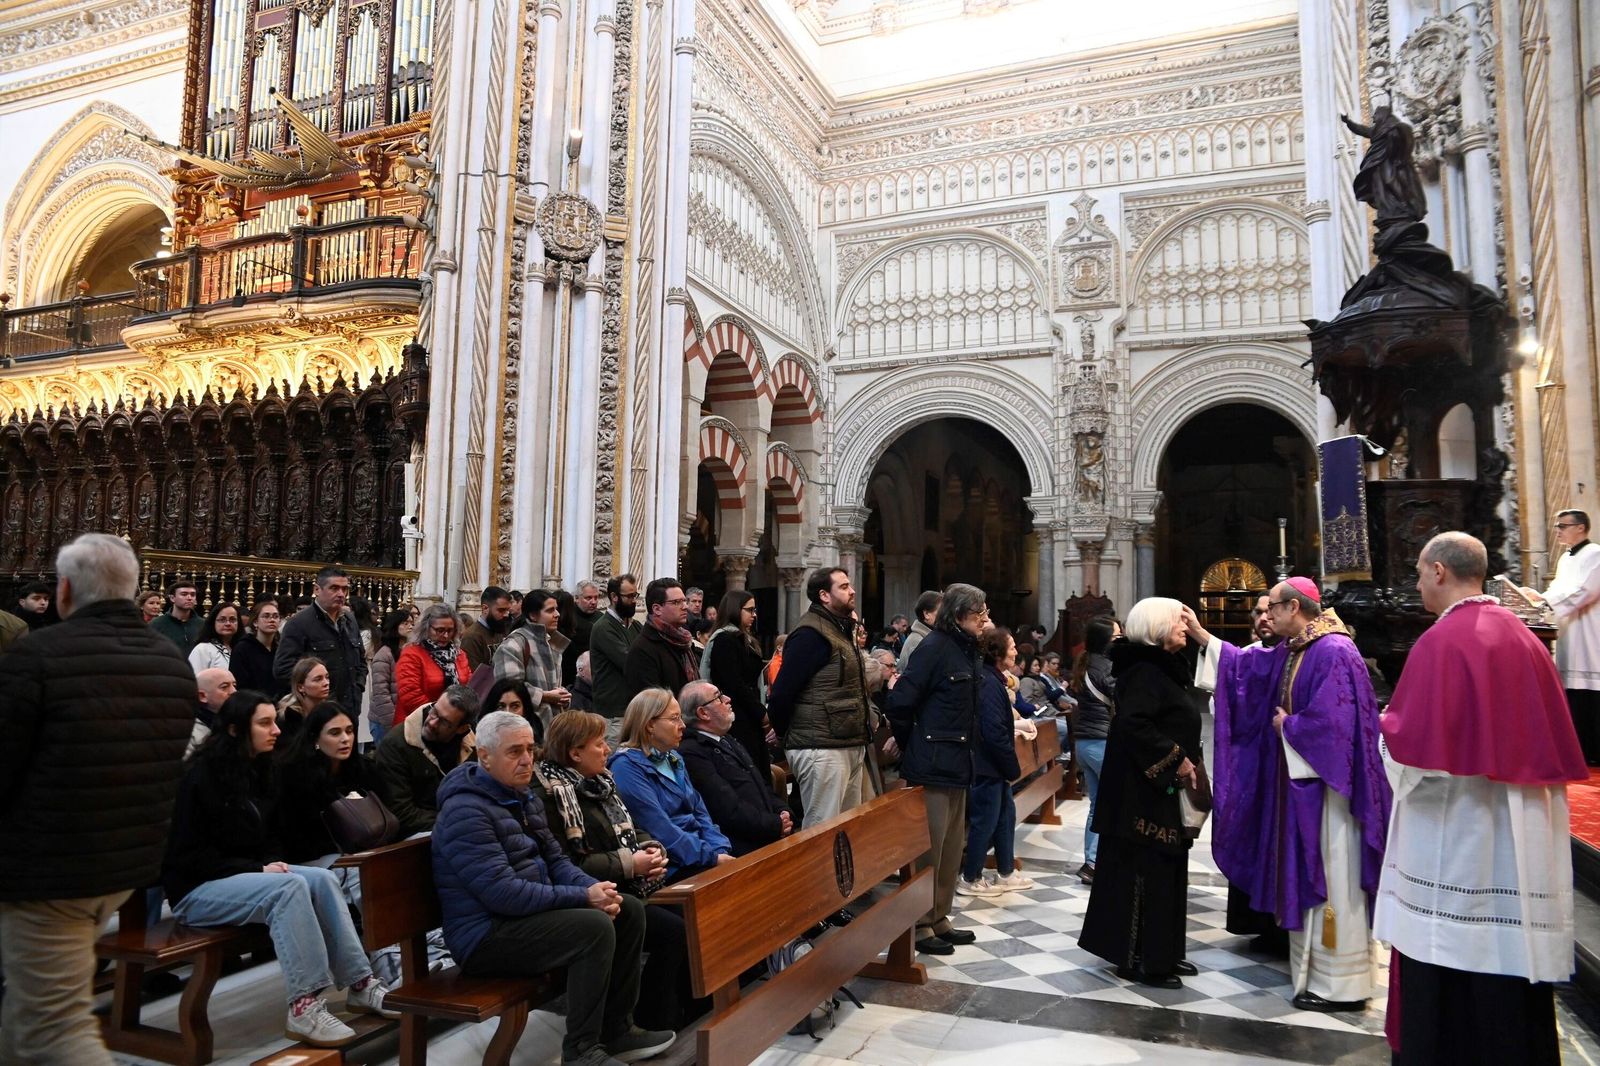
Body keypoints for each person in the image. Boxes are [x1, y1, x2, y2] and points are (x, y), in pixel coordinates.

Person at [1378, 532, 1587, 1065]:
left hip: (1460, 837)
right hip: (1520, 842)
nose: (1418, 584)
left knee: (1452, 963)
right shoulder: (1524, 636)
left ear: (1440, 572)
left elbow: (1411, 754)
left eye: (1419, 573)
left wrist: (1382, 730)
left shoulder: (1441, 643)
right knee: (1508, 986)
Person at [0, 534, 194, 1066]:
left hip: (49, 871)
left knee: (56, 1030)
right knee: (27, 1016)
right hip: (123, 867)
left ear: (64, 589)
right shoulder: (169, 662)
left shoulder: (39, 655)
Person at [1189, 578, 1391, 1011]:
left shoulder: (1333, 650)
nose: (1267, 615)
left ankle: (1341, 986)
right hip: (1307, 790)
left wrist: (1290, 726)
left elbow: (1337, 727)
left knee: (1334, 880)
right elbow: (1250, 668)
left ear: (1294, 607)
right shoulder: (1301, 648)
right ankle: (1315, 975)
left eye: (1273, 608)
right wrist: (1205, 638)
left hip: (1331, 796)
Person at [432, 710, 673, 1066]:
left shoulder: (520, 797)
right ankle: (581, 1051)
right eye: (514, 751)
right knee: (593, 927)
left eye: (530, 749)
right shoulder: (465, 811)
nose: (526, 759)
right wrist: (583, 897)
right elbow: (502, 893)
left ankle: (616, 1030)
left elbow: (558, 861)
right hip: (484, 936)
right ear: (484, 756)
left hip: (521, 919)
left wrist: (597, 890)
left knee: (627, 909)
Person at [162, 690, 398, 1046]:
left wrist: (268, 863)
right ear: (234, 730)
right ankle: (304, 1005)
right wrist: (256, 868)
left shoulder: (261, 769)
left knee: (322, 879)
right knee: (289, 888)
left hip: (243, 876)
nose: (276, 730)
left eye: (274, 721)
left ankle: (360, 983)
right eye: (265, 723)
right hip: (197, 888)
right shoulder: (199, 777)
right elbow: (189, 855)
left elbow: (271, 834)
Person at [531, 710, 698, 1032]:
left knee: (692, 913)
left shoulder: (601, 782)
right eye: (598, 744)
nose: (607, 749)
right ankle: (651, 1019)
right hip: (594, 894)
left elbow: (634, 828)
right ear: (575, 753)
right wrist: (631, 863)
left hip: (628, 883)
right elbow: (569, 863)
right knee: (672, 931)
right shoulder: (552, 796)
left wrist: (651, 849)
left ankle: (688, 1006)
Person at [1077, 597, 1201, 988]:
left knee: (1167, 870)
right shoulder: (1144, 670)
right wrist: (1177, 758)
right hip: (1140, 795)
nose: (1184, 627)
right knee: (1147, 874)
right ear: (1158, 628)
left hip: (1158, 788)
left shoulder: (1163, 666)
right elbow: (1134, 726)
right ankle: (1141, 959)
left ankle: (1165, 952)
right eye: (1178, 621)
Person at [885, 582, 988, 956]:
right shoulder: (934, 648)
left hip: (958, 762)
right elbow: (900, 703)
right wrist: (912, 743)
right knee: (929, 849)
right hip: (932, 763)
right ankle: (920, 922)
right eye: (979, 613)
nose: (985, 619)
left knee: (951, 847)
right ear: (959, 615)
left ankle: (940, 915)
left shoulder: (966, 649)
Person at [768, 568, 875, 827]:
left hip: (845, 741)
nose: (852, 591)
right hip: (821, 747)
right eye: (844, 587)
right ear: (824, 595)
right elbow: (782, 693)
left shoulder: (838, 629)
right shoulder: (810, 634)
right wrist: (783, 733)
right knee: (821, 829)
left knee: (847, 829)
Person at [608, 689, 733, 881]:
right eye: (674, 719)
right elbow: (659, 829)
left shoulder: (673, 757)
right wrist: (712, 857)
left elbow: (700, 812)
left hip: (703, 853)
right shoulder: (626, 767)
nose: (683, 725)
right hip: (672, 864)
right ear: (650, 724)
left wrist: (720, 848)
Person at [677, 681, 792, 856]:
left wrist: (783, 812)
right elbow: (726, 808)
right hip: (743, 849)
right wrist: (775, 824)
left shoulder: (726, 739)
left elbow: (761, 785)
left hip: (766, 834)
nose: (727, 699)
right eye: (718, 697)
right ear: (703, 713)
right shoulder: (692, 752)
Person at [1522, 509, 1600, 765]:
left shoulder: (1595, 554)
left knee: (1591, 688)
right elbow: (1558, 588)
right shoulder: (1566, 558)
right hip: (1569, 628)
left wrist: (1546, 600)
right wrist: (1537, 597)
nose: (1557, 531)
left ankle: (1595, 750)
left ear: (1581, 528)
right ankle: (1580, 748)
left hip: (1590, 628)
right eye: (1557, 526)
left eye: (1562, 526)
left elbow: (1585, 590)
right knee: (1573, 690)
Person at [959, 627, 1031, 898]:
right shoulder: (989, 683)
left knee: (1004, 817)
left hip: (994, 766)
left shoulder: (994, 679)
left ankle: (1005, 872)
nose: (1015, 651)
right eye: (1011, 647)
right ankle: (971, 877)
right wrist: (1011, 766)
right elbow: (993, 731)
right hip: (987, 766)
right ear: (997, 653)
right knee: (985, 822)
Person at [274, 701, 383, 864]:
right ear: (315, 738)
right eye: (335, 733)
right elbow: (297, 835)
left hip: (367, 847)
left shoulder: (364, 768)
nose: (345, 739)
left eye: (349, 731)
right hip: (314, 856)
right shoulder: (295, 775)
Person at [375, 684, 481, 836]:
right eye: (434, 711)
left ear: (462, 729)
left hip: (459, 827)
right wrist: (456, 821)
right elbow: (401, 813)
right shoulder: (395, 745)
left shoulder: (471, 746)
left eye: (444, 722)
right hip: (415, 836)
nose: (432, 722)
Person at [273, 566, 367, 713]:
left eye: (344, 589)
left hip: (350, 708)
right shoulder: (299, 623)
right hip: (318, 711)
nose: (341, 594)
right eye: (334, 588)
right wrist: (314, 691)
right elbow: (283, 669)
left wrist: (358, 685)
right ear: (317, 589)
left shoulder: (349, 620)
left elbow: (360, 660)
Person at [703, 588, 771, 785]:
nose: (754, 615)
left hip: (748, 716)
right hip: (737, 718)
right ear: (734, 609)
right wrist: (761, 712)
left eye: (754, 610)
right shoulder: (725, 640)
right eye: (749, 610)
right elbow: (734, 683)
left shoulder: (743, 639)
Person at [1068, 616, 1118, 883]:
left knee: (1097, 805)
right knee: (1115, 802)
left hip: (1084, 743)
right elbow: (1120, 695)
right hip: (1101, 741)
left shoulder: (1085, 662)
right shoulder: (1106, 666)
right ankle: (1103, 861)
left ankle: (1092, 861)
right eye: (1117, 637)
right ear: (1106, 641)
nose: (1120, 641)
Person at [494, 589, 572, 720]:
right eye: (550, 610)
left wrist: (562, 696)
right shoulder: (514, 644)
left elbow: (552, 686)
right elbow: (508, 688)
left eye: (556, 609)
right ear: (533, 615)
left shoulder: (551, 641)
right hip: (524, 724)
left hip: (551, 724)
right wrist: (545, 696)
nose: (557, 614)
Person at [623, 579, 699, 704]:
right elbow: (649, 705)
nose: (685, 607)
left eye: (684, 601)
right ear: (657, 609)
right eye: (677, 602)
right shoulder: (642, 650)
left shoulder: (683, 641)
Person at [395, 604, 471, 725]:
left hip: (452, 724)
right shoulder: (412, 654)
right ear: (426, 628)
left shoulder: (459, 654)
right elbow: (410, 695)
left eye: (450, 630)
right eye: (440, 630)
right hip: (419, 723)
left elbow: (468, 685)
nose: (445, 635)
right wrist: (441, 716)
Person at [590, 574, 643, 730]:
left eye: (635, 595)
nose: (634, 601)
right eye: (629, 596)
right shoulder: (603, 627)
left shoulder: (636, 626)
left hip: (633, 710)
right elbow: (630, 662)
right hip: (613, 715)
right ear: (614, 597)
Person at [367, 605, 417, 746]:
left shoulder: (410, 651)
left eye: (411, 623)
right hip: (385, 721)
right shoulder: (384, 655)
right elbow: (381, 694)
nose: (410, 626)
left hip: (405, 718)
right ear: (395, 626)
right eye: (405, 623)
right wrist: (392, 724)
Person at [233, 597, 289, 701]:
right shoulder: (243, 648)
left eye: (275, 616)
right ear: (255, 622)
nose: (272, 620)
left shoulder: (281, 648)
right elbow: (240, 685)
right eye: (266, 616)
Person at [459, 585, 514, 674]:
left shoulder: (497, 627)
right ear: (485, 608)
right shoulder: (472, 637)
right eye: (501, 610)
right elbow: (475, 675)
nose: (506, 614)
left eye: (507, 610)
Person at [189, 666, 240, 756]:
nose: (234, 691)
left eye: (234, 685)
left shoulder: (240, 722)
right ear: (202, 696)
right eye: (224, 687)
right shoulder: (190, 733)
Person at [483, 676, 547, 746]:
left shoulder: (536, 739)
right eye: (501, 707)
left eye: (515, 706)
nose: (507, 713)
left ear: (525, 711)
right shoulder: (481, 743)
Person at [279, 656, 331, 738]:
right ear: (300, 687)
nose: (326, 683)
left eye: (327, 677)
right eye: (318, 679)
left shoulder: (331, 712)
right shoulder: (289, 719)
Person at [564, 579, 603, 686]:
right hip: (571, 676)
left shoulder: (602, 619)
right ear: (576, 598)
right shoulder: (568, 618)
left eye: (596, 598)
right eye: (588, 598)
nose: (593, 602)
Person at [150, 578, 203, 656]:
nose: (189, 598)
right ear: (172, 598)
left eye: (192, 595)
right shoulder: (157, 624)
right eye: (184, 594)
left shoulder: (203, 625)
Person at [188, 600, 242, 673]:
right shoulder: (203, 649)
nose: (228, 623)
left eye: (232, 619)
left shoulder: (242, 648)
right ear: (213, 622)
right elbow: (193, 677)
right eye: (222, 620)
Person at [897, 589, 941, 669]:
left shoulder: (930, 638)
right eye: (941, 611)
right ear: (926, 614)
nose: (944, 615)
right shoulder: (918, 642)